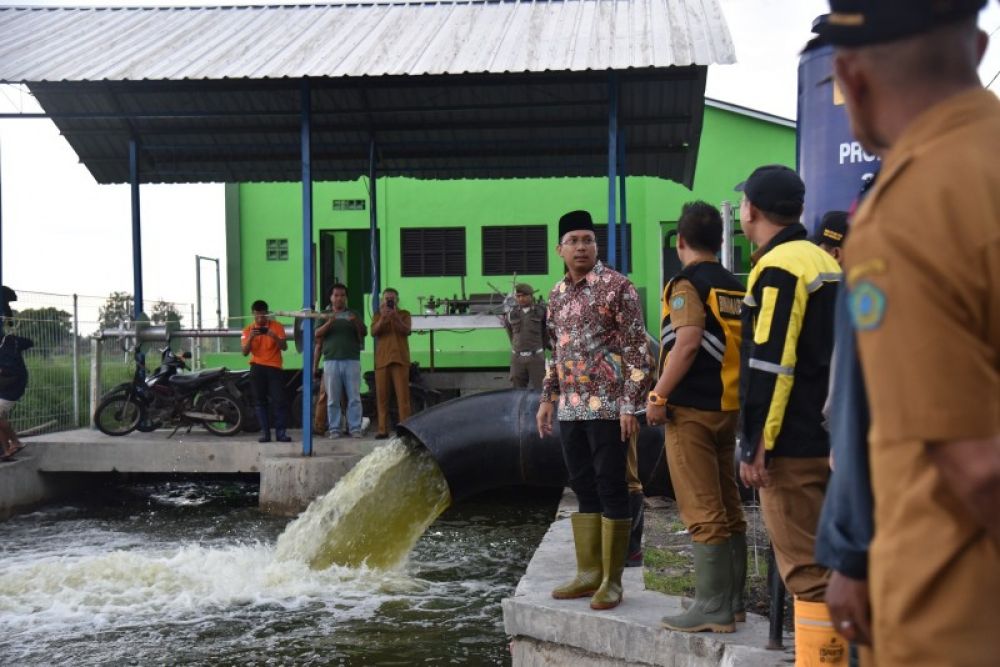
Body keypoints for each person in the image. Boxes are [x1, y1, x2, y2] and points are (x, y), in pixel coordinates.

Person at [817, 2, 1000, 664]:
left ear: (852, 78)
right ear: (977, 48)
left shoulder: (908, 213)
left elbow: (978, 465)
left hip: (955, 617)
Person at [735, 165, 844, 664]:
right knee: (838, 565)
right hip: (833, 440)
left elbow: (770, 362)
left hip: (792, 447)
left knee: (807, 573)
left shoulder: (779, 266)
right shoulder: (825, 261)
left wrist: (756, 441)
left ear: (751, 210)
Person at [536, 209, 650, 611]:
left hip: (609, 409)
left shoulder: (618, 288)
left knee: (611, 485)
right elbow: (554, 351)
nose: (581, 247)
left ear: (596, 246)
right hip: (570, 409)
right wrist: (547, 398)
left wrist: (630, 406)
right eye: (573, 241)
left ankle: (612, 581)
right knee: (582, 486)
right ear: (560, 250)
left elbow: (638, 351)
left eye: (588, 240)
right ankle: (589, 573)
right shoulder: (556, 295)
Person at [646, 201, 746, 633]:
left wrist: (658, 394)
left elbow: (686, 344)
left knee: (701, 508)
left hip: (692, 411)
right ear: (721, 241)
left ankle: (712, 607)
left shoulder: (686, 284)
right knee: (729, 504)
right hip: (728, 407)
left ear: (680, 241)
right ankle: (733, 602)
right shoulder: (734, 285)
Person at [314, 283, 367, 438]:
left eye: (342, 295)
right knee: (333, 398)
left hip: (352, 360)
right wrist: (330, 322)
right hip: (331, 360)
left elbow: (364, 332)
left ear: (346, 298)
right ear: (331, 298)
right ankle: (335, 429)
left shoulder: (353, 313)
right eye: (336, 295)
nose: (339, 298)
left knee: (354, 397)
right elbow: (317, 334)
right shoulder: (324, 315)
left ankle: (355, 428)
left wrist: (355, 321)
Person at [240, 299, 291, 443]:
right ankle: (265, 433)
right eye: (257, 315)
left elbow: (284, 347)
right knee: (260, 402)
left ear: (267, 314)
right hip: (257, 367)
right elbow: (244, 352)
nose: (260, 318)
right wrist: (251, 337)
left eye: (263, 315)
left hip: (274, 367)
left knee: (279, 400)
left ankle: (281, 433)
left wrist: (273, 336)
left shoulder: (277, 326)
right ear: (253, 314)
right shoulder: (248, 330)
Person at [370, 288, 412, 439]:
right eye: (387, 298)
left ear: (397, 300)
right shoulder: (377, 315)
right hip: (382, 360)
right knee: (382, 398)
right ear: (382, 300)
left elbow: (407, 331)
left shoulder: (404, 314)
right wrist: (383, 318)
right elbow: (374, 332)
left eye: (392, 298)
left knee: (403, 397)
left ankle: (405, 429)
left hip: (400, 359)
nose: (389, 301)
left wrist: (395, 317)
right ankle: (383, 429)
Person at [0, 316, 33, 460]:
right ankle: (7, 450)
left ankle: (15, 442)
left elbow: (29, 343)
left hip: (12, 387)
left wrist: (14, 339)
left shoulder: (10, 342)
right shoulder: (10, 342)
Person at [503, 282, 548, 390]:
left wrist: (540, 349)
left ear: (531, 296)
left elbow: (546, 332)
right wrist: (517, 347)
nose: (521, 299)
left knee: (540, 389)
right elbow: (510, 333)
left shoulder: (541, 312)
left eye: (524, 296)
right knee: (517, 390)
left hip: (536, 357)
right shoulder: (512, 313)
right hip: (517, 358)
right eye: (518, 296)